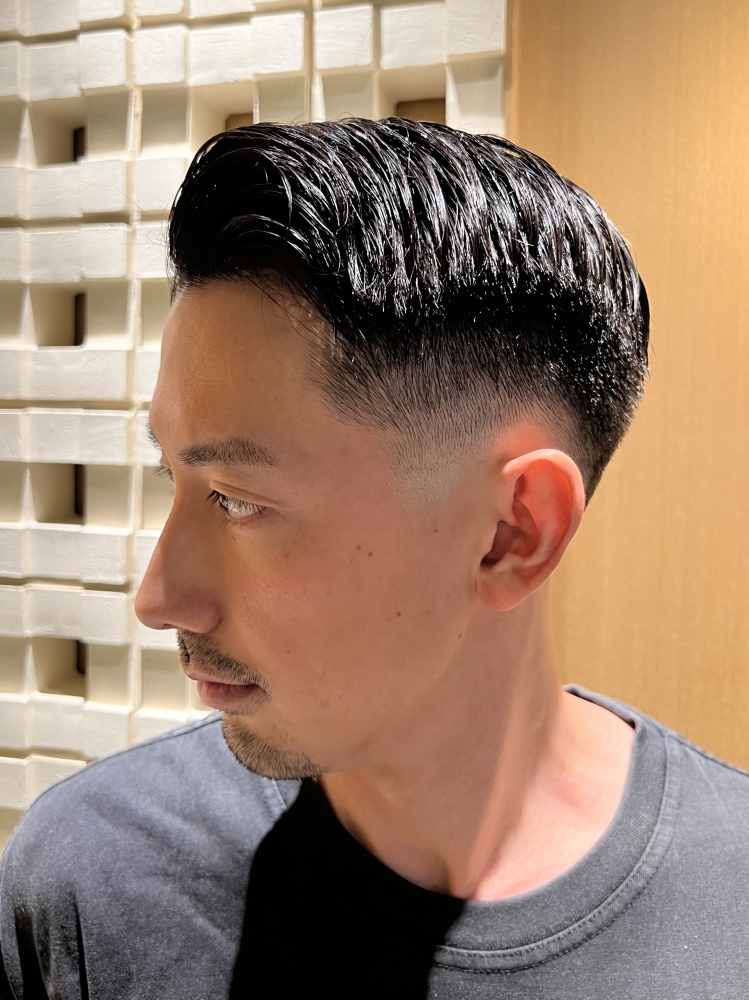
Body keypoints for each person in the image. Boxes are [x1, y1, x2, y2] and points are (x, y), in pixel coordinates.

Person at [1, 119, 748, 1000]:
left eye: (238, 499)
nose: (159, 596)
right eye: (174, 476)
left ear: (512, 532)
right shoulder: (92, 882)